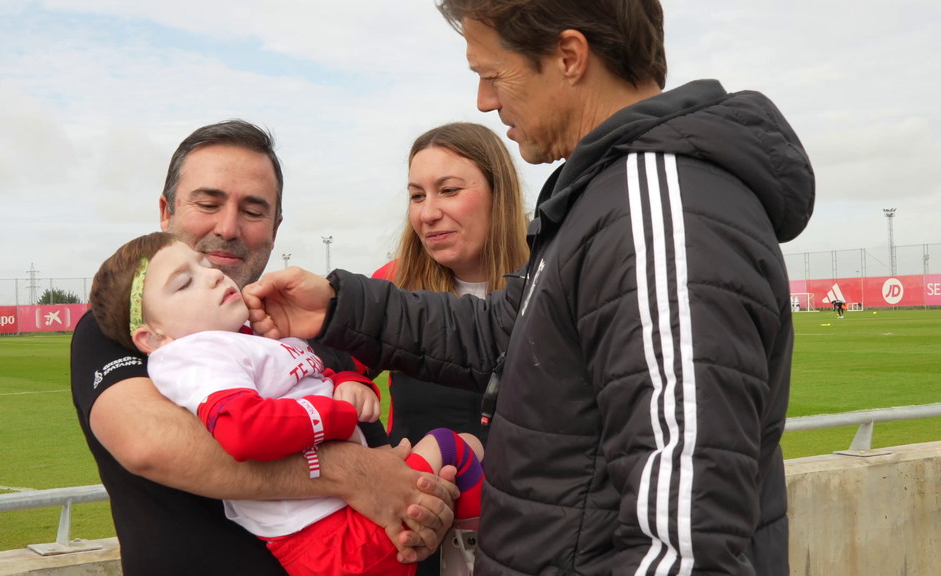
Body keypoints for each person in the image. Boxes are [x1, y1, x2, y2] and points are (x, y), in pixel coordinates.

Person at [245, 1, 815, 575]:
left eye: (492, 76)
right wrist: (343, 305)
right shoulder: (603, 195)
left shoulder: (658, 207)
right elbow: (501, 333)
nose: (485, 102)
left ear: (569, 56)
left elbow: (686, 533)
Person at [69, 120, 458, 575]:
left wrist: (421, 507)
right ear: (166, 211)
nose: (228, 227)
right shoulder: (126, 327)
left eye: (253, 211)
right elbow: (148, 443)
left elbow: (387, 465)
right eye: (208, 202)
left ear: (275, 226)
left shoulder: (299, 328)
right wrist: (352, 471)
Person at [87, 232, 485, 576]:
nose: (211, 276)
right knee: (457, 448)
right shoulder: (194, 353)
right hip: (331, 540)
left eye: (204, 265)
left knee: (453, 467)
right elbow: (243, 429)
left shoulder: (249, 332)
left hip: (348, 525)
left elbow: (313, 376)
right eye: (183, 283)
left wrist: (347, 383)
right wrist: (339, 416)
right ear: (152, 338)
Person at [375, 122, 529, 450]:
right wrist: (350, 383)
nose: (427, 213)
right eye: (417, 196)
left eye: (449, 190)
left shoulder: (546, 280)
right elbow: (318, 372)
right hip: (420, 497)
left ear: (498, 193)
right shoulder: (394, 281)